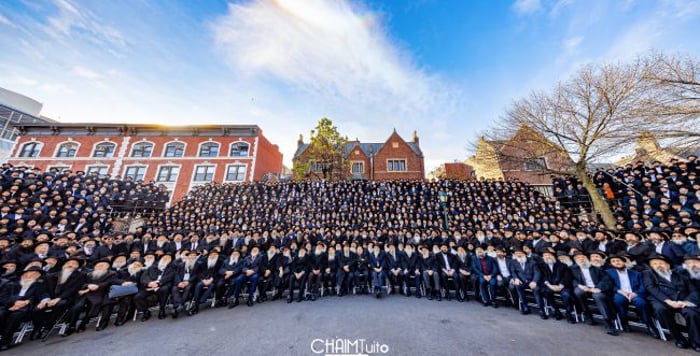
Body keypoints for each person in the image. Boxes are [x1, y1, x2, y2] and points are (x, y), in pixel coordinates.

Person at [643, 253, 700, 350]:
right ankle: (679, 339)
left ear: (668, 265)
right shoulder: (648, 274)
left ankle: (696, 342)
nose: (658, 265)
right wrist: (669, 301)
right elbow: (651, 289)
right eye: (654, 264)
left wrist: (686, 302)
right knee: (661, 310)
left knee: (691, 313)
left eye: (661, 263)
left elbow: (693, 291)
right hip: (661, 300)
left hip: (682, 301)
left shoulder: (680, 275)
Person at [33, 257, 85, 338]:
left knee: (60, 304)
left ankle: (48, 327)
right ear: (63, 265)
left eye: (74, 264)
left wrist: (58, 299)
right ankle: (38, 328)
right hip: (49, 298)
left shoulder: (81, 275)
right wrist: (45, 299)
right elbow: (43, 290)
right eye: (68, 263)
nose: (71, 265)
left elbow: (73, 289)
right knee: (37, 309)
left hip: (68, 298)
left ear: (78, 267)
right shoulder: (50, 276)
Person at [606, 253, 656, 337]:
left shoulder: (636, 273)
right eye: (613, 261)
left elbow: (642, 286)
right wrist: (620, 291)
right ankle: (624, 322)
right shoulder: (608, 273)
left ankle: (649, 325)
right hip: (620, 293)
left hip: (635, 293)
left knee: (641, 303)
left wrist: (635, 293)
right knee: (619, 300)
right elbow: (609, 285)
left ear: (624, 262)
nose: (616, 262)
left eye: (618, 261)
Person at [570, 251, 618, 336]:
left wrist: (598, 288)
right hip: (584, 288)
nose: (580, 259)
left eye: (582, 257)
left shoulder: (596, 268)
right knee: (578, 292)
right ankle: (587, 314)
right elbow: (571, 279)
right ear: (575, 260)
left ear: (586, 258)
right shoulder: (573, 269)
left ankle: (608, 322)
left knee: (598, 297)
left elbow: (606, 280)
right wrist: (579, 285)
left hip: (596, 289)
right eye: (577, 258)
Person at [0, 266, 48, 351]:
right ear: (23, 275)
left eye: (34, 275)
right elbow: (3, 297)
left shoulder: (39, 285)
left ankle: (5, 342)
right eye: (28, 274)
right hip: (9, 306)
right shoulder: (12, 284)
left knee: (15, 315)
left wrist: (44, 301)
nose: (30, 276)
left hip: (26, 309)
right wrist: (15, 302)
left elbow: (43, 295)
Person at [66, 259, 116, 335]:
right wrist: (88, 286)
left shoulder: (112, 273)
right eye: (98, 266)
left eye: (102, 265)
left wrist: (97, 286)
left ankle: (84, 323)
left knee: (100, 304)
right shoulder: (88, 274)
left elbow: (108, 283)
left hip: (102, 293)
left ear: (107, 266)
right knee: (77, 307)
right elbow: (82, 283)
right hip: (87, 294)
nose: (100, 267)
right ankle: (71, 326)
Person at [135, 254, 175, 320]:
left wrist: (158, 284)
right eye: (164, 257)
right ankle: (146, 312)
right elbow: (144, 277)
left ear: (171, 260)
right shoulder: (152, 267)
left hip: (162, 286)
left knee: (164, 289)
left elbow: (169, 277)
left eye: (168, 258)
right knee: (138, 297)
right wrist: (149, 283)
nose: (166, 258)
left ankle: (162, 309)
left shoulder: (171, 268)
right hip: (150, 286)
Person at [510, 249, 544, 318]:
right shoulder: (514, 262)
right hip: (521, 281)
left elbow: (537, 272)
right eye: (516, 254)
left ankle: (541, 309)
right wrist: (516, 278)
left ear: (524, 254)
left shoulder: (532, 262)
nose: (518, 255)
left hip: (532, 281)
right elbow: (513, 272)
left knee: (536, 290)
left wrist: (534, 281)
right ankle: (525, 307)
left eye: (520, 253)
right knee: (518, 286)